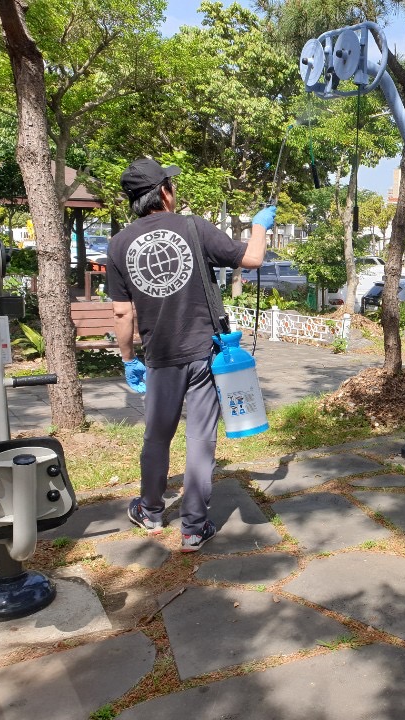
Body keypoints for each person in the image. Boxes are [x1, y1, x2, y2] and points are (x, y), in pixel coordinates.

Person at [106, 157, 276, 551]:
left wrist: (129, 358)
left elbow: (121, 312)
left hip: (160, 358)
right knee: (201, 438)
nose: (174, 190)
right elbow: (251, 258)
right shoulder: (192, 227)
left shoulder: (118, 243)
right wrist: (258, 226)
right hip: (203, 353)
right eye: (171, 184)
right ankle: (193, 528)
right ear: (162, 192)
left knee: (156, 435)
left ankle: (149, 511)